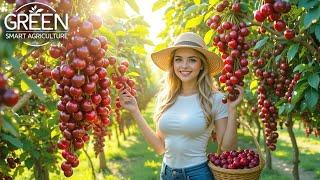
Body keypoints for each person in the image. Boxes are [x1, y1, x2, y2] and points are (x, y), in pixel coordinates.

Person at [118, 32, 243, 180]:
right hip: (167, 174)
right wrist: (135, 112)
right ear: (173, 64)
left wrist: (232, 109)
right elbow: (159, 147)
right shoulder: (165, 97)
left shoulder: (215, 99)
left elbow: (227, 148)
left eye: (191, 60)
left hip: (198, 174)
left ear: (201, 64)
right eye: (178, 60)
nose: (184, 66)